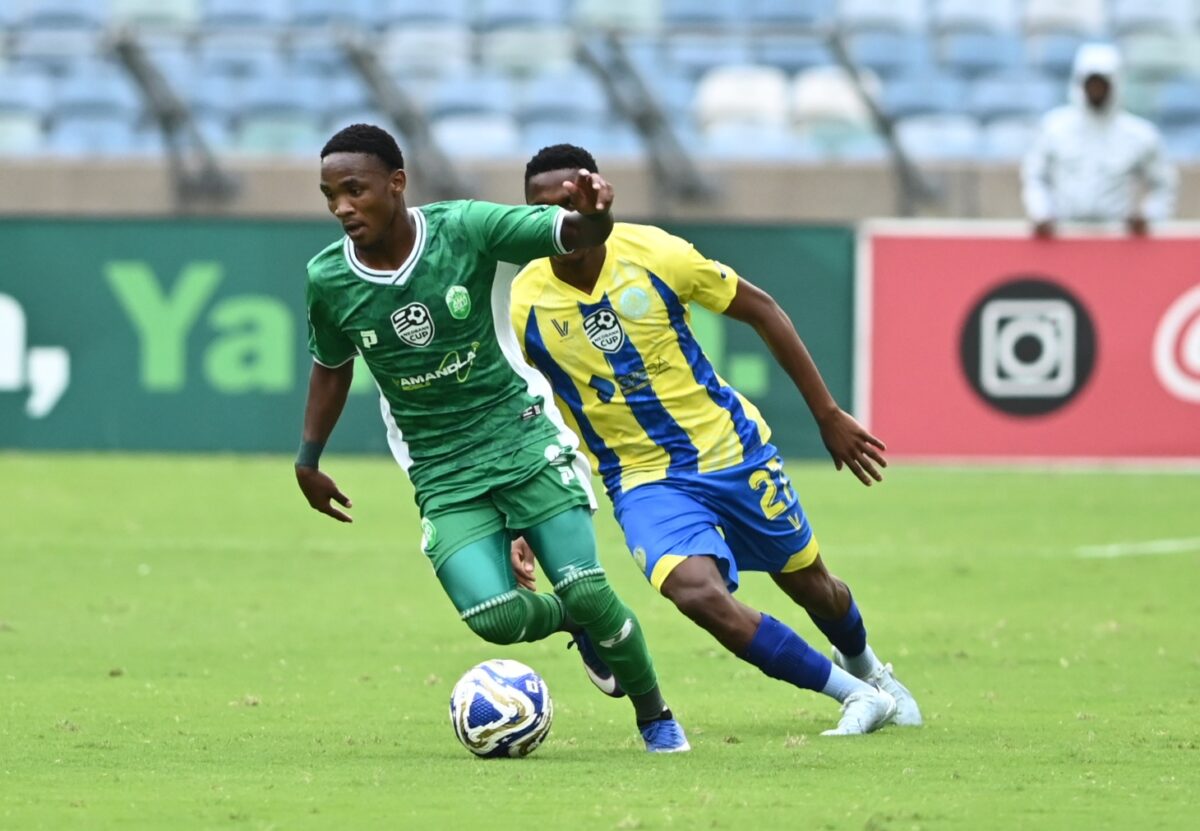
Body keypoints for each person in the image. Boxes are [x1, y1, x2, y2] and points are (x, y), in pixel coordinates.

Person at [294, 124, 688, 753]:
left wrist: (595, 216)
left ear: (396, 183)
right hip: (440, 465)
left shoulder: (464, 228)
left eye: (354, 190)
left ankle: (655, 717)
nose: (342, 207)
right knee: (495, 618)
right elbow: (332, 366)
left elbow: (571, 234)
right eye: (330, 196)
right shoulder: (328, 277)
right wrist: (309, 458)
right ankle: (577, 622)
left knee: (587, 585)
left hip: (521, 434)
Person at [509, 144, 922, 737]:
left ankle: (868, 667)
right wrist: (528, 515)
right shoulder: (525, 300)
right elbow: (546, 410)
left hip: (730, 451)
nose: (555, 222)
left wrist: (827, 413)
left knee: (814, 588)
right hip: (641, 478)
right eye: (539, 211)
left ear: (591, 200)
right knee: (696, 594)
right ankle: (854, 695)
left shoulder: (657, 254)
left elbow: (764, 310)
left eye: (567, 204)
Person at [1022, 42, 1177, 238]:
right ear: (1079, 83)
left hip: (1118, 237)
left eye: (1102, 84)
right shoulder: (1054, 128)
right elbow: (1035, 176)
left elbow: (1163, 184)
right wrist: (1041, 212)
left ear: (1115, 83)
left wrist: (1149, 216)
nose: (1096, 89)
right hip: (1064, 235)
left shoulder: (1140, 134)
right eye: (1091, 83)